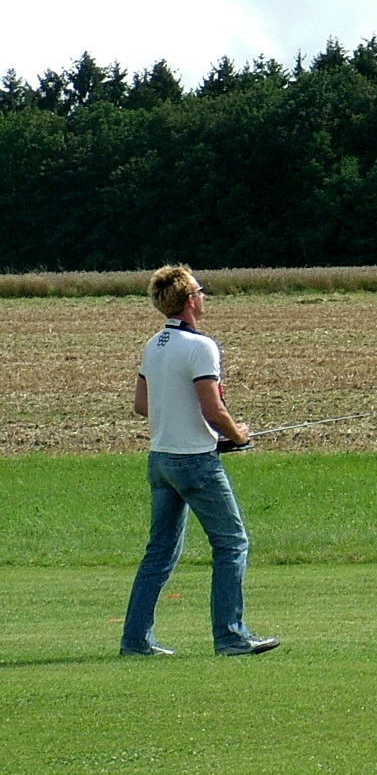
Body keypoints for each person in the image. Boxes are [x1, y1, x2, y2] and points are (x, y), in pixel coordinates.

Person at [120, 265, 279, 657]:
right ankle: (230, 637)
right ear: (191, 300)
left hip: (160, 460)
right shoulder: (201, 346)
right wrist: (237, 434)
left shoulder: (152, 344)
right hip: (195, 464)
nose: (204, 297)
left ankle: (135, 641)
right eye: (201, 292)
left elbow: (143, 405)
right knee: (231, 543)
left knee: (158, 553)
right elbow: (213, 408)